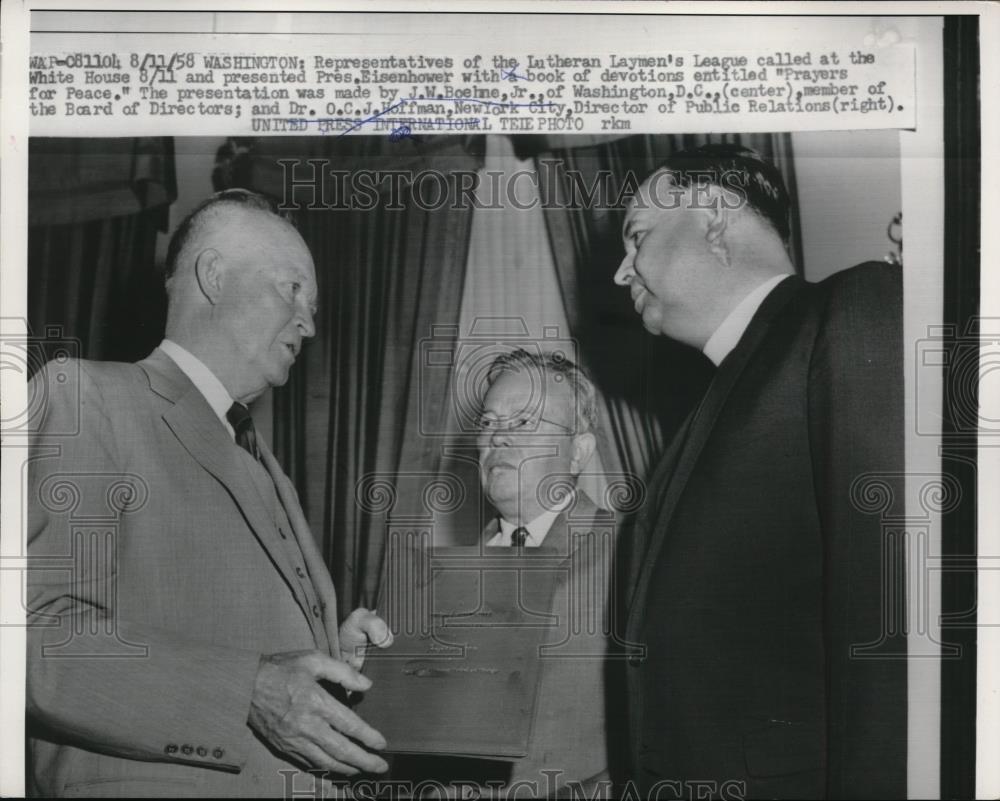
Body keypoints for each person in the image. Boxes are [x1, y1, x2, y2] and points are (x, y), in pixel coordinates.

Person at [26, 189, 392, 797]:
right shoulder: (84, 396)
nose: (309, 322)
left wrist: (328, 662)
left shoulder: (262, 459)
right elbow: (34, 636)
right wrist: (246, 689)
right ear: (214, 275)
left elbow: (240, 646)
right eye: (293, 289)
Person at [612, 145, 906, 799]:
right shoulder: (712, 400)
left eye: (637, 236)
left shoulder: (851, 311)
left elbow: (893, 631)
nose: (619, 272)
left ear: (714, 217)